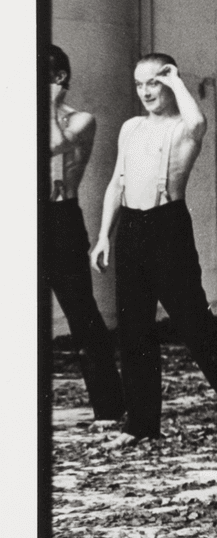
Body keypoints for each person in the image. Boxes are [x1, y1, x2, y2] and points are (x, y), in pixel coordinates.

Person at [89, 54, 217, 448]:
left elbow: (199, 123)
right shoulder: (131, 128)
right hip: (131, 230)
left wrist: (179, 81)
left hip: (167, 227)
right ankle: (141, 424)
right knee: (134, 330)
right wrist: (103, 236)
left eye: (155, 82)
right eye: (140, 84)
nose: (146, 91)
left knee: (194, 324)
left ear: (169, 83)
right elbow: (117, 182)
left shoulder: (185, 127)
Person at [47, 46, 126, 424]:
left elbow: (49, 146)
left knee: (82, 314)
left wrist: (44, 104)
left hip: (59, 220)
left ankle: (109, 408)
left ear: (58, 78)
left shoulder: (80, 120)